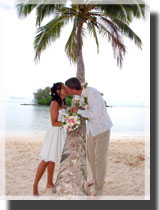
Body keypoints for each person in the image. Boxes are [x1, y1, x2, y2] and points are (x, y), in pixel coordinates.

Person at [64, 77, 113, 196]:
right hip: (92, 130)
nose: (66, 90)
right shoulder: (81, 95)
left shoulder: (92, 94)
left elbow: (95, 114)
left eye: (67, 88)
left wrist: (78, 111)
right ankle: (96, 180)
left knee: (100, 159)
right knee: (91, 156)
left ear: (72, 90)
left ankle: (98, 190)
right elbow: (83, 107)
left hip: (102, 128)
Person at [33, 82, 68, 196]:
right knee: (46, 160)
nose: (66, 89)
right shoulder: (54, 103)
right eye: (63, 87)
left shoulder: (63, 102)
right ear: (58, 90)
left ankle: (49, 183)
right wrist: (69, 123)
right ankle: (35, 185)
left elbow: (63, 119)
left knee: (52, 159)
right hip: (54, 133)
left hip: (61, 132)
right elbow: (54, 123)